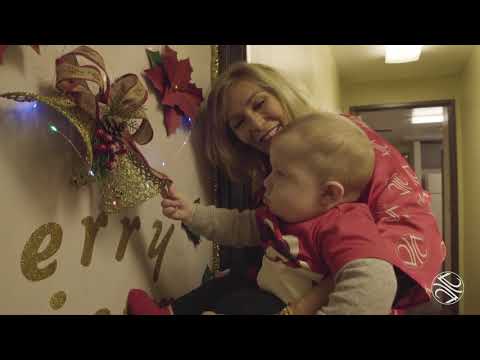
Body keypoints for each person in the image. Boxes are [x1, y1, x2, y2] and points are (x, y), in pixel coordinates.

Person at [127, 62, 445, 315]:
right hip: (275, 287)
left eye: (260, 103)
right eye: (238, 123)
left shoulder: (342, 144)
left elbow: (392, 248)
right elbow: (244, 225)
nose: (253, 122)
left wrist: (310, 303)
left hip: (341, 299)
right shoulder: (271, 178)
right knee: (231, 282)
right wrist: (193, 214)